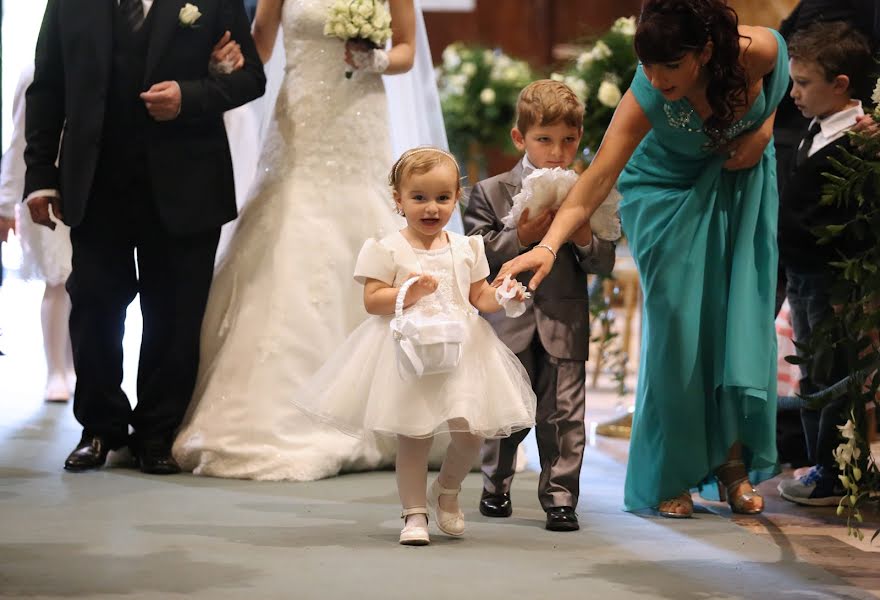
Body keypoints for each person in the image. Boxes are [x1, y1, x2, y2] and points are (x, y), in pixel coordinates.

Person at [495, 0, 790, 518]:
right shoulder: (647, 92)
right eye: (647, 66)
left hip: (741, 181)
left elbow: (781, 80)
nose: (655, 78)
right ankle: (672, 471)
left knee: (737, 322)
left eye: (669, 66)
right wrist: (546, 246)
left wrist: (762, 130)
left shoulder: (756, 51)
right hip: (666, 192)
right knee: (678, 332)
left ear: (703, 53)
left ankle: (732, 466)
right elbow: (595, 180)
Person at [173, 0, 441, 481]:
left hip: (359, 113)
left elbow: (406, 50)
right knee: (287, 227)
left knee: (364, 223)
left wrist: (374, 60)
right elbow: (261, 43)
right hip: (300, 116)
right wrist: (225, 64)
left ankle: (387, 408)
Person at [24, 0, 266, 474]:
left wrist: (189, 96)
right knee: (94, 304)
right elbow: (48, 85)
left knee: (175, 313)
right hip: (96, 179)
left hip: (187, 180)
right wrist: (40, 175)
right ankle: (99, 428)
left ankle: (157, 432)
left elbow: (249, 77)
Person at [291, 147, 536, 545]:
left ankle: (448, 490)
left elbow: (479, 297)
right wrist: (410, 291)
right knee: (414, 435)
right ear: (398, 200)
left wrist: (506, 297)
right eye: (419, 198)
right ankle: (414, 513)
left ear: (457, 198)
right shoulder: (387, 248)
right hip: (408, 353)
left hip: (463, 349)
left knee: (472, 432)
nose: (430, 208)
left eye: (442, 198)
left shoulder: (466, 247)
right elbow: (372, 301)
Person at [463, 80, 616, 532]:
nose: (557, 151)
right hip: (506, 320)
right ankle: (495, 486)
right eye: (544, 140)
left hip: (564, 319)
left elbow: (604, 260)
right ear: (520, 138)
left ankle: (561, 498)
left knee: (565, 415)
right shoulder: (491, 191)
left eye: (569, 140)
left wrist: (582, 231)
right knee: (505, 411)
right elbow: (476, 254)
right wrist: (527, 236)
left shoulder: (589, 189)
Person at [774, 21, 874, 507]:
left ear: (840, 86)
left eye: (803, 83)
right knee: (815, 370)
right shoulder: (815, 128)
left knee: (831, 375)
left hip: (834, 281)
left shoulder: (861, 142)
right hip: (804, 273)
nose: (793, 93)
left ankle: (834, 473)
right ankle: (832, 464)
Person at [0, 62, 75, 402]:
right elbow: (19, 144)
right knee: (57, 281)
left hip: (88, 190)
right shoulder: (35, 72)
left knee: (84, 285)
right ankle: (55, 369)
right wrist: (5, 204)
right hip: (46, 190)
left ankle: (74, 366)